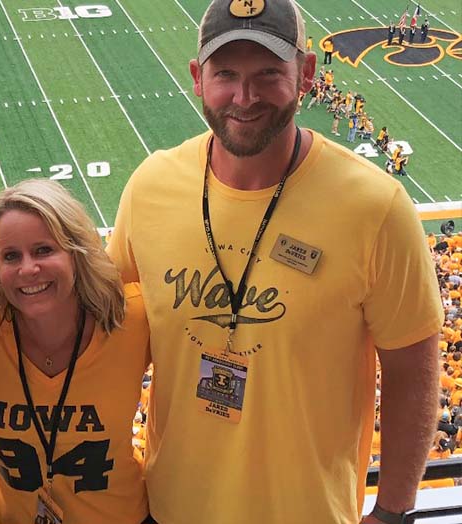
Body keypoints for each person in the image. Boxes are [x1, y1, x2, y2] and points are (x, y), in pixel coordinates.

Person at [105, 1, 443, 522]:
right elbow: (108, 342)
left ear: (306, 73)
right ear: (198, 78)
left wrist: (393, 512)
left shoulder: (376, 206)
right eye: (226, 75)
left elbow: (413, 371)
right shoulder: (150, 188)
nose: (245, 97)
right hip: (173, 509)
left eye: (268, 73)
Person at [0, 179, 150, 523]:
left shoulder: (132, 318)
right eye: (11, 256)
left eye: (43, 250)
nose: (28, 269)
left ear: (76, 250)